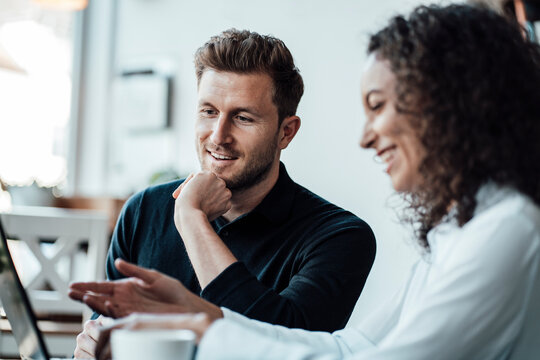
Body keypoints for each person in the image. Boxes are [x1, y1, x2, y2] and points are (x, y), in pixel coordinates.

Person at [77, 3, 540, 359]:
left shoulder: (507, 228)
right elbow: (348, 348)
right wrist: (199, 316)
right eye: (208, 111)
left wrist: (202, 309)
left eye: (378, 106)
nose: (364, 137)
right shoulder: (458, 228)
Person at [70, 29, 376, 358]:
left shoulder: (341, 237)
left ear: (286, 132)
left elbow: (284, 344)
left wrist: (192, 219)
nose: (218, 136)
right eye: (209, 111)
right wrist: (93, 344)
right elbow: (109, 325)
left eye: (242, 118)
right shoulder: (144, 210)